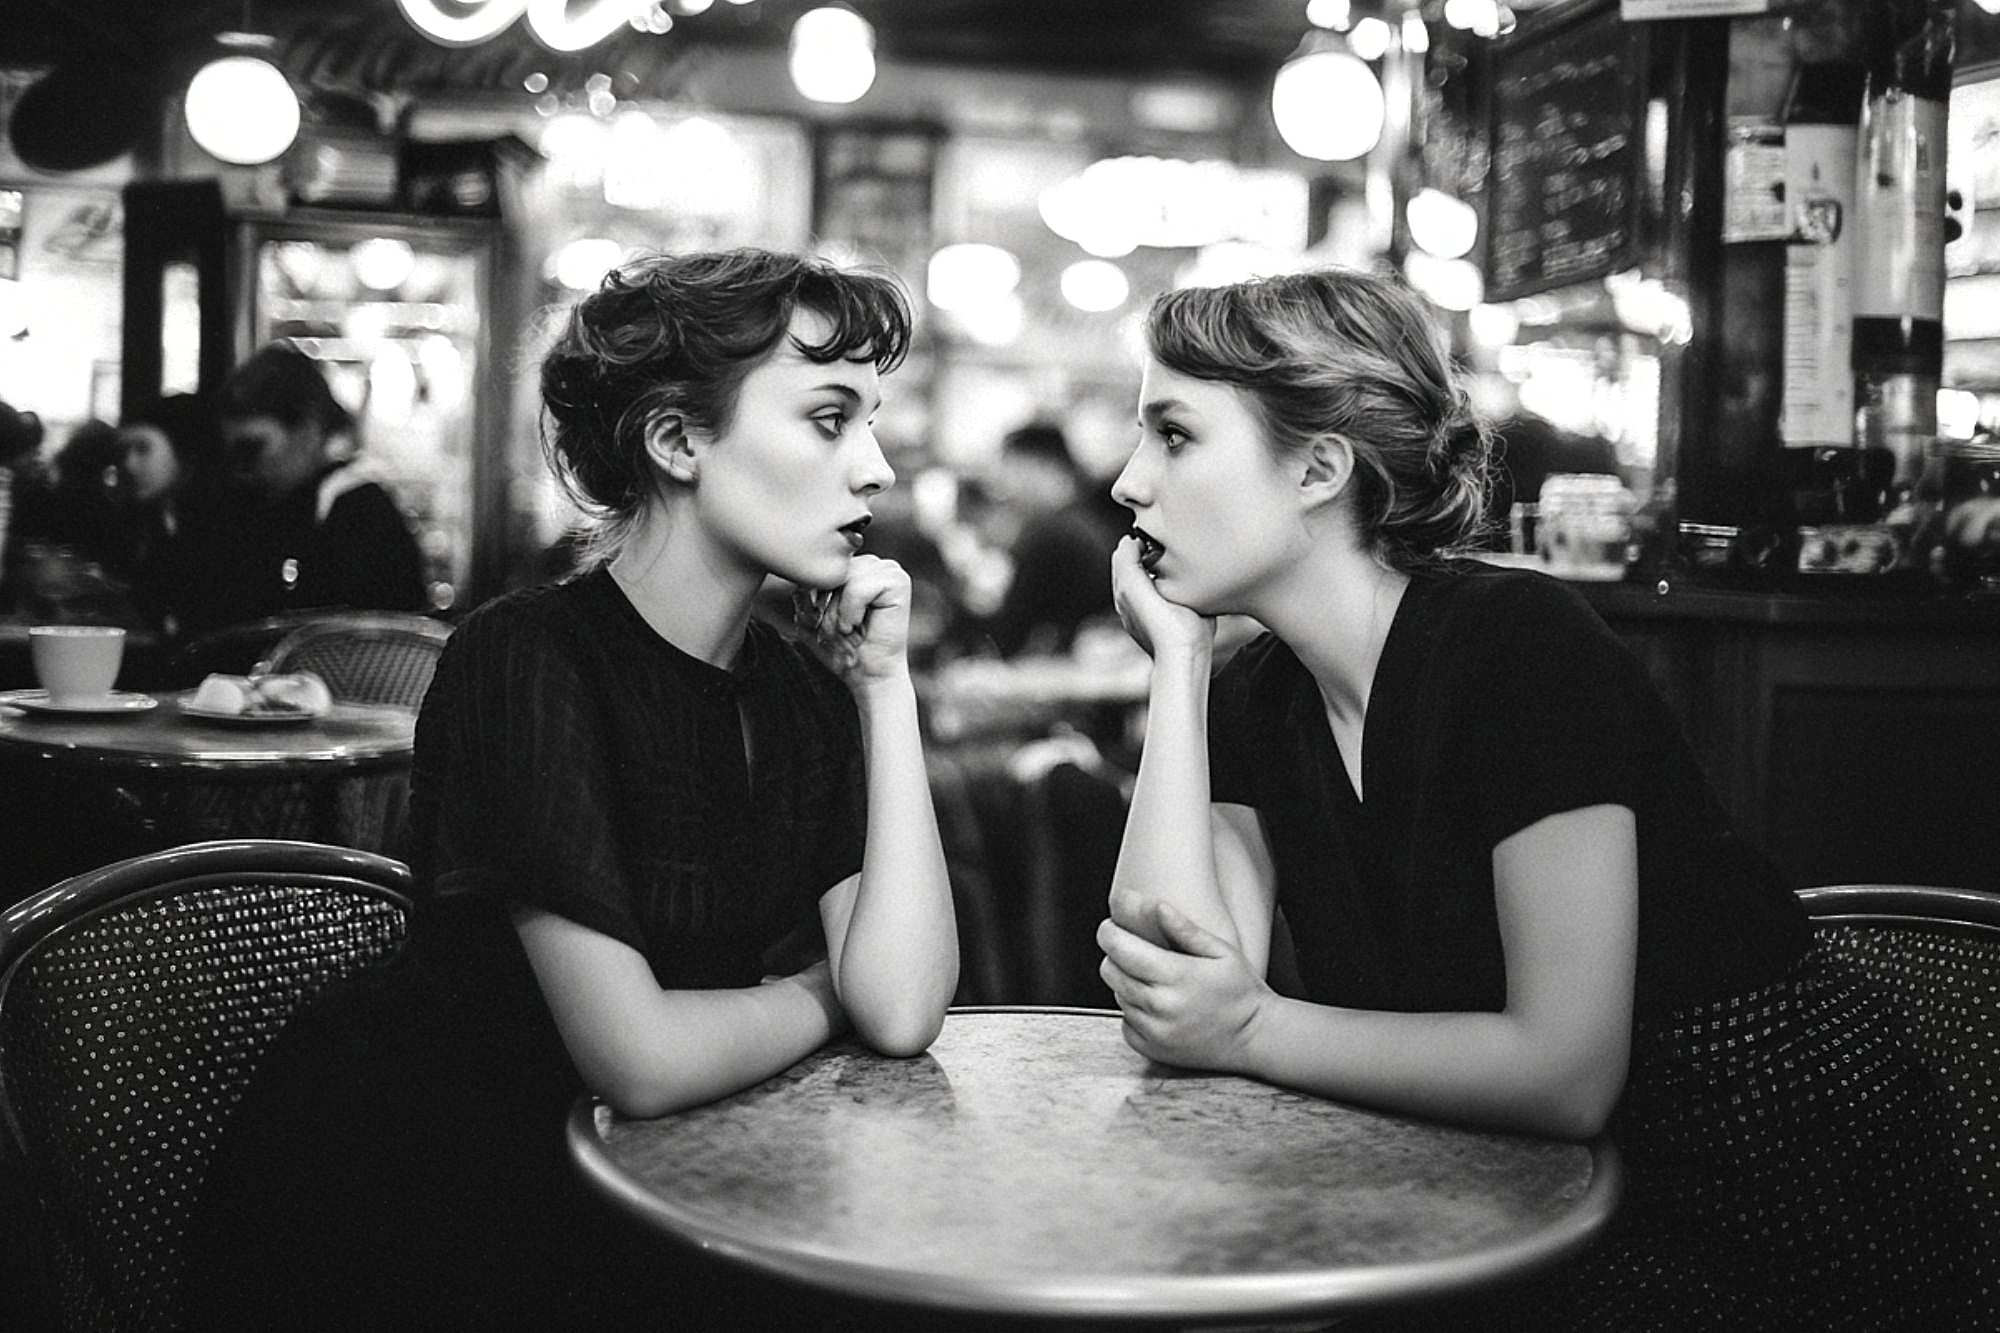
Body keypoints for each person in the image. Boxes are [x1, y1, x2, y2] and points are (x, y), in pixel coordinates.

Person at [1093, 267, 1971, 1329]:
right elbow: (1170, 981)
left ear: (1318, 467)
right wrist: (1176, 666)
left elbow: (1565, 1070)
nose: (1127, 483)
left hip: (1752, 1188)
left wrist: (1253, 1028)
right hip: (1494, 1191)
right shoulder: (1253, 694)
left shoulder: (1516, 648)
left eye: (1172, 435)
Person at [186, 249, 961, 1330]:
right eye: (830, 419)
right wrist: (819, 995)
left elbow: (905, 1004)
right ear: (676, 439)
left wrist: (884, 687)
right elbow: (636, 1056)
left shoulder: (799, 689)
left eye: (871, 422)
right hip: (428, 1206)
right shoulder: (528, 657)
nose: (875, 467)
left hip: (657, 1190)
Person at [214, 342, 428, 617]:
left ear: (308, 432)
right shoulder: (250, 504)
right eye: (231, 451)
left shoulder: (358, 509)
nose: (239, 467)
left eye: (252, 448)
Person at [975, 421, 1122, 657]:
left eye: (1011, 470)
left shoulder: (1051, 535)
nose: (1005, 487)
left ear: (1040, 465)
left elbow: (1011, 630)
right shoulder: (1090, 520)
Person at [114, 394, 240, 637]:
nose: (129, 464)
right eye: (123, 452)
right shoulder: (157, 518)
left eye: (143, 449)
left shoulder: (222, 524)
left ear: (184, 449)